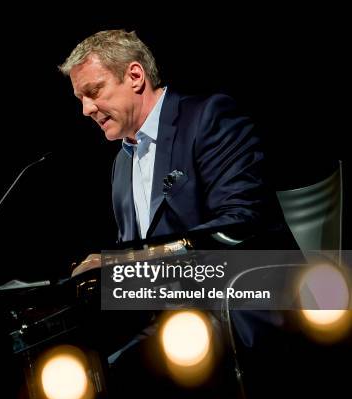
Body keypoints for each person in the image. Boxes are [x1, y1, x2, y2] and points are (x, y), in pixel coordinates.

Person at [59, 29, 296, 259]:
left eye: (94, 91)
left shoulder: (207, 118)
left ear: (135, 76)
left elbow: (241, 222)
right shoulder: (121, 163)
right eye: (81, 99)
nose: (86, 109)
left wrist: (119, 262)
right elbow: (135, 254)